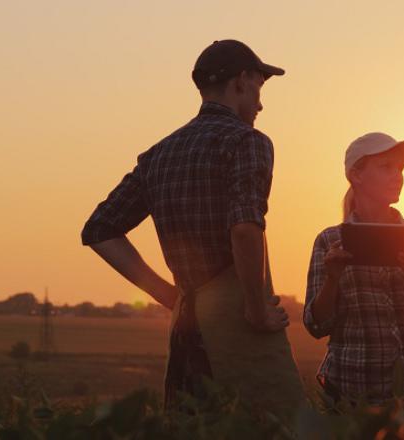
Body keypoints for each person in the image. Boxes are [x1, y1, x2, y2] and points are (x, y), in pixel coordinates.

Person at [80, 40, 305, 416]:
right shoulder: (246, 141)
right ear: (242, 81)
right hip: (239, 332)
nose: (261, 104)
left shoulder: (158, 154)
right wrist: (255, 308)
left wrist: (169, 294)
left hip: (187, 332)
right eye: (258, 89)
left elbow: (99, 230)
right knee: (267, 425)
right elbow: (245, 228)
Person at [303, 132, 404, 405]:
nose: (398, 175)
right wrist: (332, 280)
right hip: (353, 394)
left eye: (401, 168)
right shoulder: (329, 241)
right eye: (386, 167)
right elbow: (316, 325)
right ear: (356, 175)